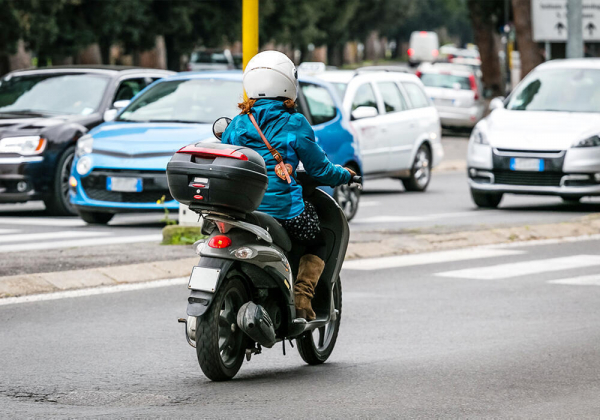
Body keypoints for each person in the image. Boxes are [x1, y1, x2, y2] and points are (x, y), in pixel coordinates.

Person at [221, 51, 355, 321]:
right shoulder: (295, 123)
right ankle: (303, 297)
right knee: (318, 240)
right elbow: (320, 169)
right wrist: (345, 175)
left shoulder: (237, 123)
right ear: (287, 83)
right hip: (284, 211)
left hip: (243, 209)